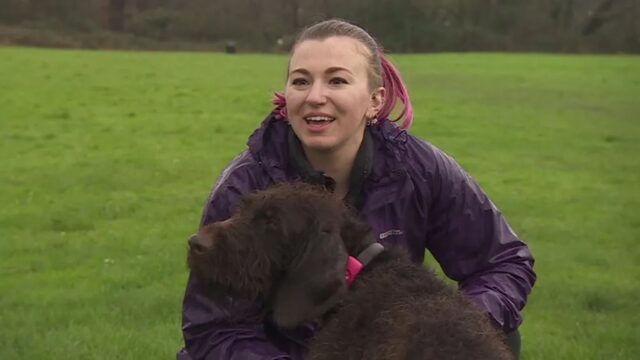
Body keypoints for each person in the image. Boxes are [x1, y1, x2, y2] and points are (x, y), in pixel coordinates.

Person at [178, 19, 536, 360]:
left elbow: (504, 262)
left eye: (336, 81)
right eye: (301, 81)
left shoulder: (420, 169)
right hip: (279, 351)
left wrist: (440, 332)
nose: (315, 96)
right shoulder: (246, 183)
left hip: (394, 345)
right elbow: (214, 328)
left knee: (498, 334)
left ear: (375, 100)